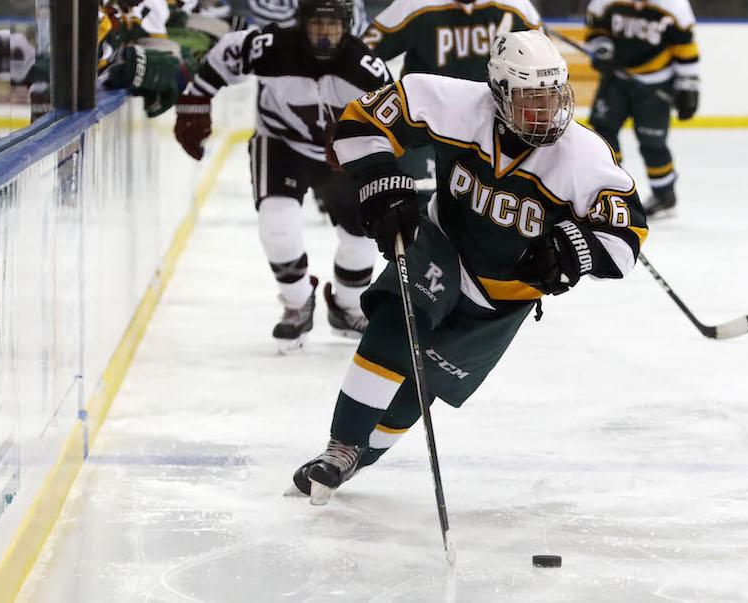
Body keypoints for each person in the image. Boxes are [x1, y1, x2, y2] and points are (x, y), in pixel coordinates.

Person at [292, 30, 648, 501]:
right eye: (529, 101)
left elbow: (626, 238)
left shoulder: (583, 157)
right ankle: (339, 447)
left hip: (505, 297)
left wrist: (574, 252)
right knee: (402, 319)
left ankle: (359, 457)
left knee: (425, 383)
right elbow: (361, 122)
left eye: (552, 97)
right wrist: (381, 179)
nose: (545, 114)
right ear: (498, 93)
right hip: (443, 246)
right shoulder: (452, 102)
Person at [173, 0, 393, 352]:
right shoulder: (273, 47)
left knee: (362, 235)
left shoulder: (366, 69)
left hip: (343, 152)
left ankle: (348, 306)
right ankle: (297, 303)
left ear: (348, 26)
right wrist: (196, 99)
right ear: (301, 23)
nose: (324, 35)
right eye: (317, 25)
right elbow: (228, 52)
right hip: (280, 142)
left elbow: (392, 124)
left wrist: (375, 163)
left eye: (333, 26)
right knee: (278, 224)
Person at [360, 0, 542, 203]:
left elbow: (544, 70)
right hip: (425, 127)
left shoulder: (517, 7)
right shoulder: (414, 5)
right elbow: (361, 57)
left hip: (492, 130)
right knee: (420, 205)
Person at [584, 0, 700, 219]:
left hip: (655, 84)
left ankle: (665, 195)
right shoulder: (606, 2)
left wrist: (688, 87)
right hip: (616, 79)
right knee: (602, 134)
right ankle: (607, 189)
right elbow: (596, 27)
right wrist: (602, 49)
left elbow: (685, 47)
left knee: (652, 143)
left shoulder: (674, 6)